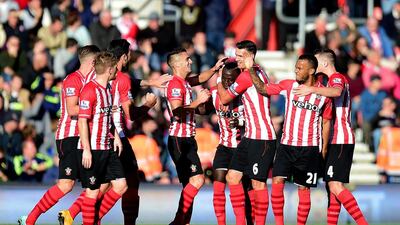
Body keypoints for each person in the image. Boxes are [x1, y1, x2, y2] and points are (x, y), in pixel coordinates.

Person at [17, 45, 100, 225]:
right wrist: (99, 109)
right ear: (93, 62)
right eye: (99, 61)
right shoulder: (72, 80)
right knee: (66, 185)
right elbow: (71, 109)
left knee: (97, 184)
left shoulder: (95, 80)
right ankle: (30, 220)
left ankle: (70, 215)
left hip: (87, 137)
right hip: (69, 136)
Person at [248, 53, 332, 225]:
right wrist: (250, 69)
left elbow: (326, 122)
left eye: (300, 68)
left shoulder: (324, 95)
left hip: (309, 148)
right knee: (277, 181)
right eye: (296, 66)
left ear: (312, 71)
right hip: (286, 145)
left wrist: (323, 149)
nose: (296, 70)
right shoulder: (289, 85)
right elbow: (264, 88)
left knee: (304, 188)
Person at [294, 49, 369, 225]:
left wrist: (310, 89)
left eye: (317, 61)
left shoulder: (336, 78)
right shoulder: (329, 81)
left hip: (341, 138)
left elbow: (336, 92)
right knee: (331, 187)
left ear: (325, 63)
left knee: (335, 186)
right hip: (337, 139)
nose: (314, 64)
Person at [217, 40, 276, 225]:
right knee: (232, 177)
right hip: (249, 137)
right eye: (237, 55)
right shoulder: (258, 72)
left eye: (241, 56)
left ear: (251, 57)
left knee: (258, 184)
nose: (237, 59)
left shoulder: (246, 77)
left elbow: (225, 98)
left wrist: (219, 79)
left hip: (262, 138)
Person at [165, 47, 225, 225]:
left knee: (188, 188)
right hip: (179, 140)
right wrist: (198, 102)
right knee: (198, 180)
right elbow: (176, 112)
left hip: (187, 139)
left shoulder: (184, 82)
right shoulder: (175, 84)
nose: (190, 61)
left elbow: (200, 78)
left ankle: (184, 222)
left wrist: (214, 69)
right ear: (176, 65)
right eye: (187, 59)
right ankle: (177, 221)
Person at [77, 51, 127, 225]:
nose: (116, 71)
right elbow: (82, 121)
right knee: (92, 192)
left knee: (121, 186)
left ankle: (95, 219)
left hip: (107, 146)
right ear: (110, 70)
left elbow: (105, 118)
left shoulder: (107, 89)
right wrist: (86, 150)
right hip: (93, 148)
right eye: (115, 68)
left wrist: (115, 137)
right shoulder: (89, 89)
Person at [210, 61, 247, 225]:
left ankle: (242, 222)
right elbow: (202, 109)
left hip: (241, 148)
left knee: (243, 189)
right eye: (224, 79)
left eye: (231, 80)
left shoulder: (246, 97)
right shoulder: (214, 93)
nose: (227, 83)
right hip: (224, 146)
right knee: (218, 184)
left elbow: (256, 120)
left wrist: (241, 122)